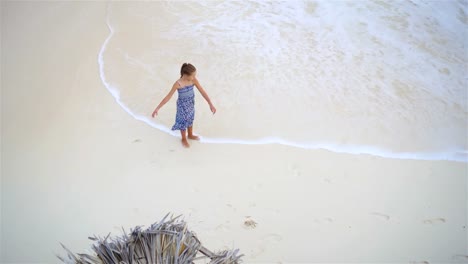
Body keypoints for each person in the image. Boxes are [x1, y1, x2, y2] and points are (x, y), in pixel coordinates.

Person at [152, 63, 216, 148]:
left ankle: (190, 134)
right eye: (192, 75)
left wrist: (210, 104)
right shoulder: (178, 84)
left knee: (190, 118)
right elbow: (168, 97)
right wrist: (157, 108)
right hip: (182, 106)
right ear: (186, 75)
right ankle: (183, 138)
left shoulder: (193, 80)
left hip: (190, 104)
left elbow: (202, 91)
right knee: (183, 121)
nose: (194, 77)